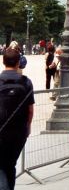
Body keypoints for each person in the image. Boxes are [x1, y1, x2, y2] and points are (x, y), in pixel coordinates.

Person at [0, 48, 34, 190]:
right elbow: (30, 110)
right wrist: (28, 127)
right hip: (18, 132)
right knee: (10, 164)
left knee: (1, 165)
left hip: (1, 131)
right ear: (19, 62)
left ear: (3, 61)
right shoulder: (26, 82)